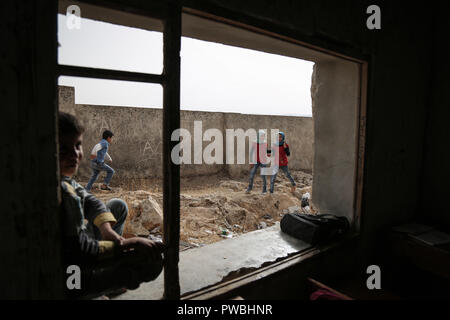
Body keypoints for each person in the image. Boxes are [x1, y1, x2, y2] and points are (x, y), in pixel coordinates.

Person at [58, 112, 164, 299]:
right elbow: (78, 251)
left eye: (77, 146)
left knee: (117, 204)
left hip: (81, 251)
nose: (74, 154)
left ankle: (103, 279)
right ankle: (98, 288)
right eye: (63, 149)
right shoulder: (60, 193)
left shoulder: (66, 182)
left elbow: (90, 200)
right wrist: (122, 246)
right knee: (149, 264)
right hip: (73, 271)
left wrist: (108, 232)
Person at [246, 130, 270, 194]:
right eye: (262, 136)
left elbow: (266, 152)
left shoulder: (265, 143)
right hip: (256, 161)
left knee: (263, 176)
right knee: (252, 174)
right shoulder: (254, 143)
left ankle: (264, 190)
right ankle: (249, 188)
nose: (263, 137)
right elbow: (252, 153)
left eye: (264, 136)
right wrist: (251, 162)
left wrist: (269, 154)